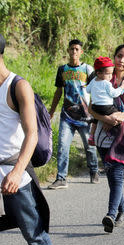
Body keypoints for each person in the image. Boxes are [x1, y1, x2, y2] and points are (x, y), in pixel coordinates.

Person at [0, 33, 63, 245]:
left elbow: (32, 134)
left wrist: (17, 171)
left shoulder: (17, 86)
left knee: (34, 233)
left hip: (14, 171)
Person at [88, 44, 124, 233]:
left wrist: (119, 117)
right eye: (119, 56)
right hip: (103, 136)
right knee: (112, 176)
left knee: (117, 174)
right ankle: (123, 210)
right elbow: (90, 108)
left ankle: (110, 214)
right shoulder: (101, 78)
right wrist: (106, 119)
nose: (121, 60)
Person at [47, 39, 99, 189]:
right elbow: (58, 91)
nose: (74, 52)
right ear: (68, 51)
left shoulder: (88, 69)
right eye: (72, 49)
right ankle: (61, 178)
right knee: (63, 146)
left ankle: (94, 170)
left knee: (89, 147)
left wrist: (96, 113)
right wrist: (51, 111)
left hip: (85, 116)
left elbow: (96, 90)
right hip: (67, 116)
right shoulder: (62, 69)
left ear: (81, 52)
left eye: (77, 49)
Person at [87, 56, 124, 144]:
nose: (110, 76)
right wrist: (122, 87)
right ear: (98, 73)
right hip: (106, 107)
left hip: (95, 107)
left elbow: (87, 90)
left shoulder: (93, 80)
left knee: (96, 118)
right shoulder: (106, 83)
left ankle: (92, 135)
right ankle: (121, 137)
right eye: (108, 74)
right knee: (119, 114)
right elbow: (114, 94)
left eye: (111, 73)